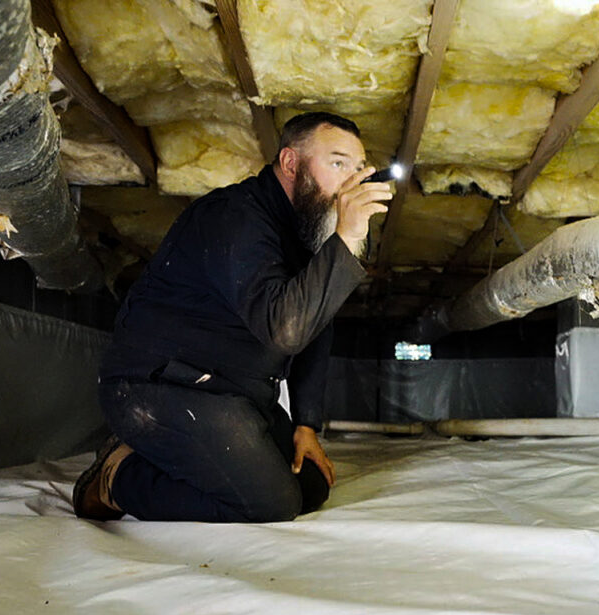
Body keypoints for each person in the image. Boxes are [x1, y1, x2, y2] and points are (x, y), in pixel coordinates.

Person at [72, 112, 392, 523]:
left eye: (357, 167)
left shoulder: (306, 233)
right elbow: (285, 330)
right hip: (160, 389)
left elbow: (316, 326)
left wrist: (306, 425)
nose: (353, 181)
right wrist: (347, 238)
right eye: (337, 164)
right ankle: (116, 479)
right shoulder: (236, 215)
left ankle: (171, 456)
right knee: (270, 504)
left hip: (234, 394)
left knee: (310, 484)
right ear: (291, 163)